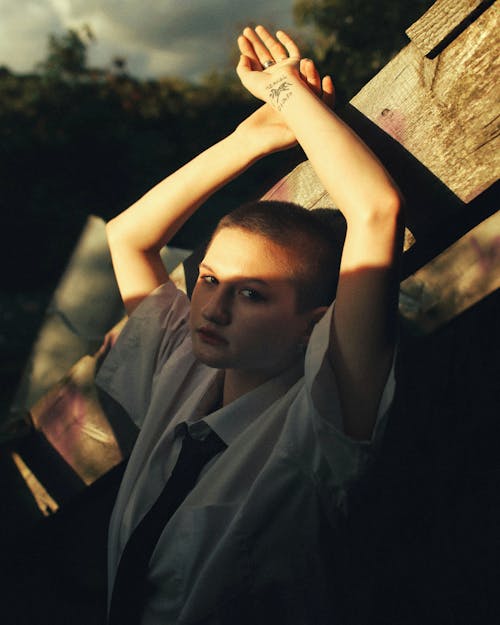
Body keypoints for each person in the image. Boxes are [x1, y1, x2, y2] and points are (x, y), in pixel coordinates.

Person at [96, 25, 403, 625]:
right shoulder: (179, 365)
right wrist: (251, 138)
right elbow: (127, 238)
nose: (212, 309)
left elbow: (376, 211)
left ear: (312, 326)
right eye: (208, 279)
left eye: (252, 294)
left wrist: (291, 92)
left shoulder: (322, 425)